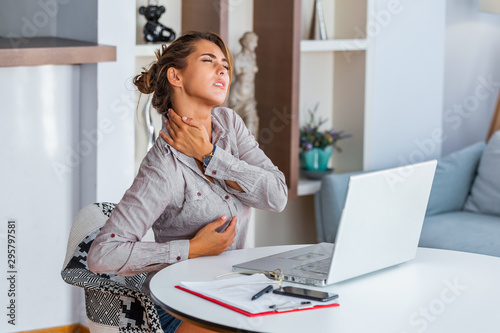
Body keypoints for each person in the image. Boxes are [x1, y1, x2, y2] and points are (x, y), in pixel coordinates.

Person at [87, 31, 288, 333]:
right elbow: (103, 255)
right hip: (181, 305)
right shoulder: (163, 165)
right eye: (209, 61)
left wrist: (211, 155)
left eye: (225, 64)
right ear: (176, 76)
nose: (223, 69)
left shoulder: (229, 125)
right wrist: (191, 249)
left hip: (238, 293)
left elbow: (277, 197)